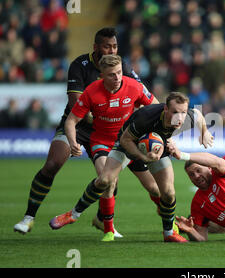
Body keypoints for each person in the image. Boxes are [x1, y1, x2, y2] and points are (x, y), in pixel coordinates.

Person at [13, 27, 151, 236]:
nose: (112, 50)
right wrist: (102, 114)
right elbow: (75, 102)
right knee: (53, 163)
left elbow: (140, 91)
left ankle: (102, 219)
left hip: (107, 127)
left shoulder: (121, 65)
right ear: (96, 47)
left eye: (114, 46)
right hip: (77, 125)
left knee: (108, 176)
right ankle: (29, 218)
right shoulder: (80, 65)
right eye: (107, 46)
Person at [49, 92, 214, 242]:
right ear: (165, 109)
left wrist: (204, 132)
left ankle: (169, 233)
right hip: (127, 145)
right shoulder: (146, 117)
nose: (180, 117)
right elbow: (126, 140)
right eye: (175, 112)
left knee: (169, 193)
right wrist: (143, 157)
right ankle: (73, 214)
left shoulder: (186, 118)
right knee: (105, 180)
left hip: (155, 148)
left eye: (183, 112)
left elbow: (198, 115)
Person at [63, 54, 160, 238]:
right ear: (101, 75)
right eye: (111, 75)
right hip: (103, 144)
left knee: (155, 189)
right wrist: (72, 141)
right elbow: (71, 121)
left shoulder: (135, 86)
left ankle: (168, 220)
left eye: (119, 73)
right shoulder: (91, 92)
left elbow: (156, 108)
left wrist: (162, 134)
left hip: (130, 142)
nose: (117, 78)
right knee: (107, 181)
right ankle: (108, 229)